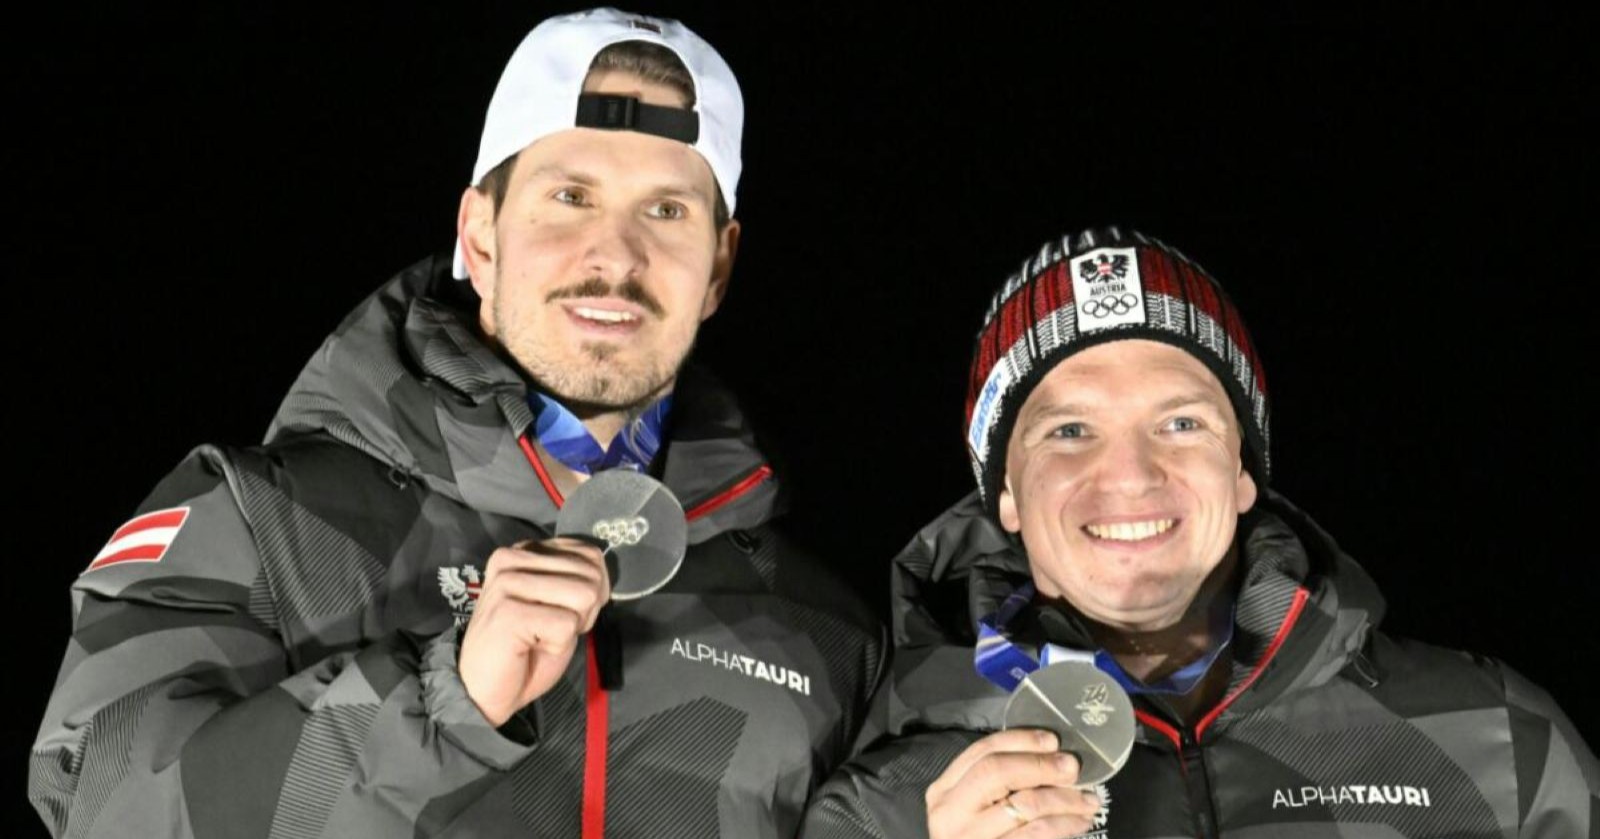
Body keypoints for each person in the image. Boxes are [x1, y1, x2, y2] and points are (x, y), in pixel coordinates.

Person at [29, 9, 883, 838]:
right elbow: (104, 804)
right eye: (571, 195)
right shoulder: (263, 521)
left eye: (666, 211)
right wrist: (442, 702)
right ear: (479, 236)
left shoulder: (823, 628)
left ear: (718, 264)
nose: (616, 255)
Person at [802, 226, 1598, 838]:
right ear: (1006, 495)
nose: (1130, 475)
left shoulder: (1496, 737)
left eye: (1180, 422)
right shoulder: (884, 808)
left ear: (1243, 468)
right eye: (1070, 430)